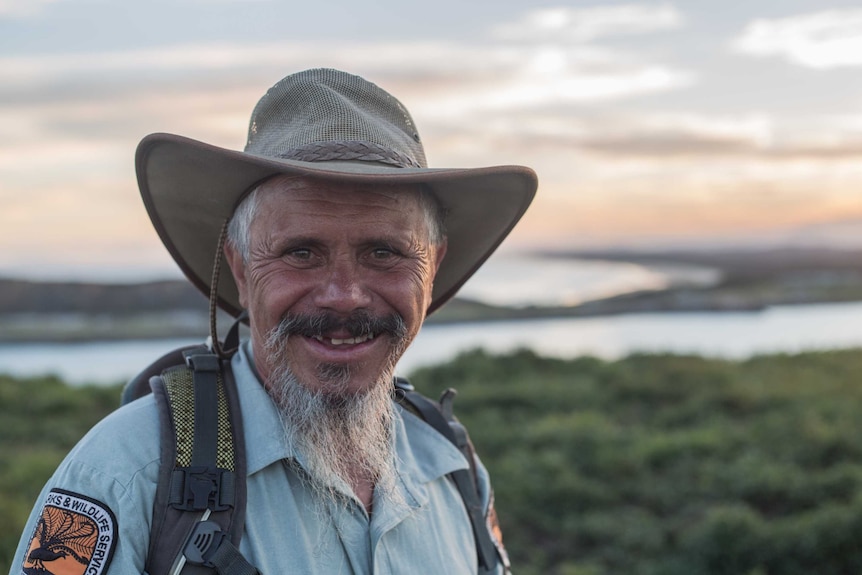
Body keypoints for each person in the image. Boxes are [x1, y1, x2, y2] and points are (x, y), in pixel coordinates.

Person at [11, 68, 537, 574]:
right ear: (240, 268)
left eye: (383, 252)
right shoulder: (124, 476)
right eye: (301, 252)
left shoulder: (454, 465)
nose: (344, 297)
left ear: (433, 266)